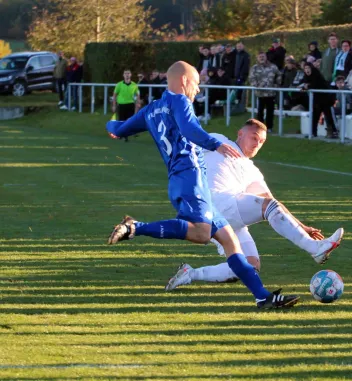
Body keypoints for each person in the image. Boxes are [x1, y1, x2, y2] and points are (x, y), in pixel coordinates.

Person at [105, 61, 300, 309]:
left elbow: (120, 128)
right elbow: (189, 129)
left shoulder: (151, 109)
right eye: (196, 83)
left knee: (230, 240)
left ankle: (263, 297)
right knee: (200, 233)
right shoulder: (179, 101)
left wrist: (110, 126)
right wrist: (213, 143)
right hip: (191, 177)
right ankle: (135, 228)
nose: (197, 90)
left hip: (184, 180)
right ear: (185, 81)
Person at [166, 119, 344, 287]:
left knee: (250, 267)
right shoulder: (220, 141)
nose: (257, 144)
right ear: (240, 134)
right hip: (214, 203)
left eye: (261, 142)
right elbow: (190, 138)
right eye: (254, 138)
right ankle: (314, 248)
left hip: (229, 213)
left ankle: (190, 274)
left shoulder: (252, 171)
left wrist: (302, 226)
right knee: (267, 206)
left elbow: (274, 204)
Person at [301, 63, 337, 138]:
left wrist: (307, 86)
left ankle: (333, 132)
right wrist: (305, 86)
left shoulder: (316, 75)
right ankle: (313, 132)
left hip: (325, 98)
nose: (307, 70)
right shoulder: (306, 77)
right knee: (315, 116)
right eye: (305, 68)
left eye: (308, 68)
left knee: (327, 115)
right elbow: (305, 85)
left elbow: (314, 85)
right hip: (317, 99)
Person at [249, 52, 281, 133]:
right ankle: (260, 128)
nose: (261, 58)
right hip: (260, 94)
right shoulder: (255, 68)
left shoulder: (273, 67)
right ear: (257, 58)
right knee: (260, 112)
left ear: (266, 57)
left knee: (270, 111)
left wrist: (276, 85)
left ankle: (269, 127)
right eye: (260, 57)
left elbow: (279, 76)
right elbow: (251, 78)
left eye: (263, 56)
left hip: (271, 93)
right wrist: (256, 85)